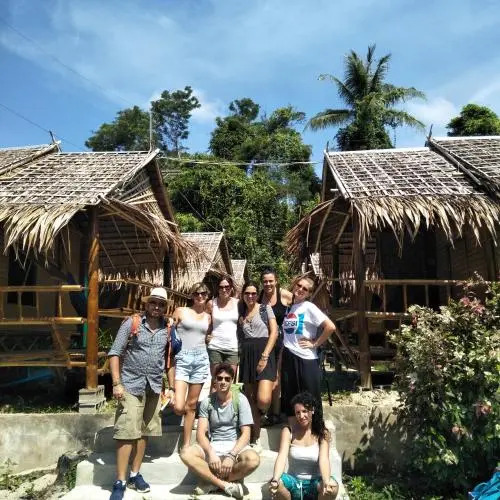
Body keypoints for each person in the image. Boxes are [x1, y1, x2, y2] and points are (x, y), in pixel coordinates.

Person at [107, 287, 170, 500]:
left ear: (165, 308)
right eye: (153, 302)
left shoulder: (167, 328)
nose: (156, 307)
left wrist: (169, 387)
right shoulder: (132, 323)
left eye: (161, 304)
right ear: (146, 303)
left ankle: (135, 474)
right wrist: (116, 383)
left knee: (144, 432)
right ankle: (120, 480)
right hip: (131, 385)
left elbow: (170, 359)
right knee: (126, 433)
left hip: (154, 387)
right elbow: (115, 352)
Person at [180, 363, 260, 499]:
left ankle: (211, 482)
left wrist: (231, 455)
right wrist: (210, 452)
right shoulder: (207, 402)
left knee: (254, 460)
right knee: (185, 453)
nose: (223, 382)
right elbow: (200, 434)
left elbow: (246, 434)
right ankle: (225, 485)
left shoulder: (241, 400)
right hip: (214, 444)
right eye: (220, 378)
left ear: (232, 381)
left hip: (234, 444)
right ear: (215, 381)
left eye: (227, 379)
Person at [281, 276, 337, 423]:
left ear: (309, 293)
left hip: (306, 359)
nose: (300, 289)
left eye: (305, 289)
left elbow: (330, 327)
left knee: (311, 398)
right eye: (299, 285)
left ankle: (316, 429)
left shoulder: (309, 307)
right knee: (291, 397)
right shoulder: (289, 307)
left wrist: (315, 343)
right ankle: (295, 430)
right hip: (289, 356)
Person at [268, 392, 339, 500]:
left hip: (314, 484)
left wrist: (326, 481)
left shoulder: (322, 433)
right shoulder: (288, 431)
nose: (301, 416)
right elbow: (281, 457)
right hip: (294, 483)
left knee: (333, 487)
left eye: (305, 411)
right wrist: (275, 479)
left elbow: (324, 459)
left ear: (312, 410)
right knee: (277, 483)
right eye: (298, 412)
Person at [239, 280, 278, 452]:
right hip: (247, 355)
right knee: (251, 399)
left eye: (253, 293)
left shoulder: (265, 308)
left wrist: (265, 356)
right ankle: (255, 438)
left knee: (263, 399)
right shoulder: (241, 311)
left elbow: (274, 332)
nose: (250, 296)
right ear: (243, 295)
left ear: (257, 294)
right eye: (247, 293)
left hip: (264, 353)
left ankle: (264, 414)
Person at [172, 282, 211, 450]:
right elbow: (169, 330)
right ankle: (171, 398)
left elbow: (206, 336)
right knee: (179, 407)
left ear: (207, 296)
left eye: (203, 293)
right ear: (192, 295)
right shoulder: (181, 311)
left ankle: (186, 444)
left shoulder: (208, 317)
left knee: (192, 404)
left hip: (201, 358)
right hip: (183, 358)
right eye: (196, 293)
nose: (200, 296)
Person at [259, 267, 293, 425]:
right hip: (262, 342)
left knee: (277, 378)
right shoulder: (259, 297)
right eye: (265, 281)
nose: (268, 284)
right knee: (263, 376)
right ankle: (263, 411)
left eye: (270, 281)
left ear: (276, 281)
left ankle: (276, 412)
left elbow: (300, 306)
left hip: (281, 342)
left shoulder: (284, 295)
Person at [206, 276, 240, 385]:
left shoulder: (238, 303)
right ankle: (213, 397)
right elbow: (206, 322)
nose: (224, 289)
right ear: (217, 288)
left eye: (227, 287)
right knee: (216, 381)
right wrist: (206, 336)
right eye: (221, 287)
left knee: (229, 381)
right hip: (215, 347)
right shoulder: (211, 303)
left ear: (231, 288)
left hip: (232, 347)